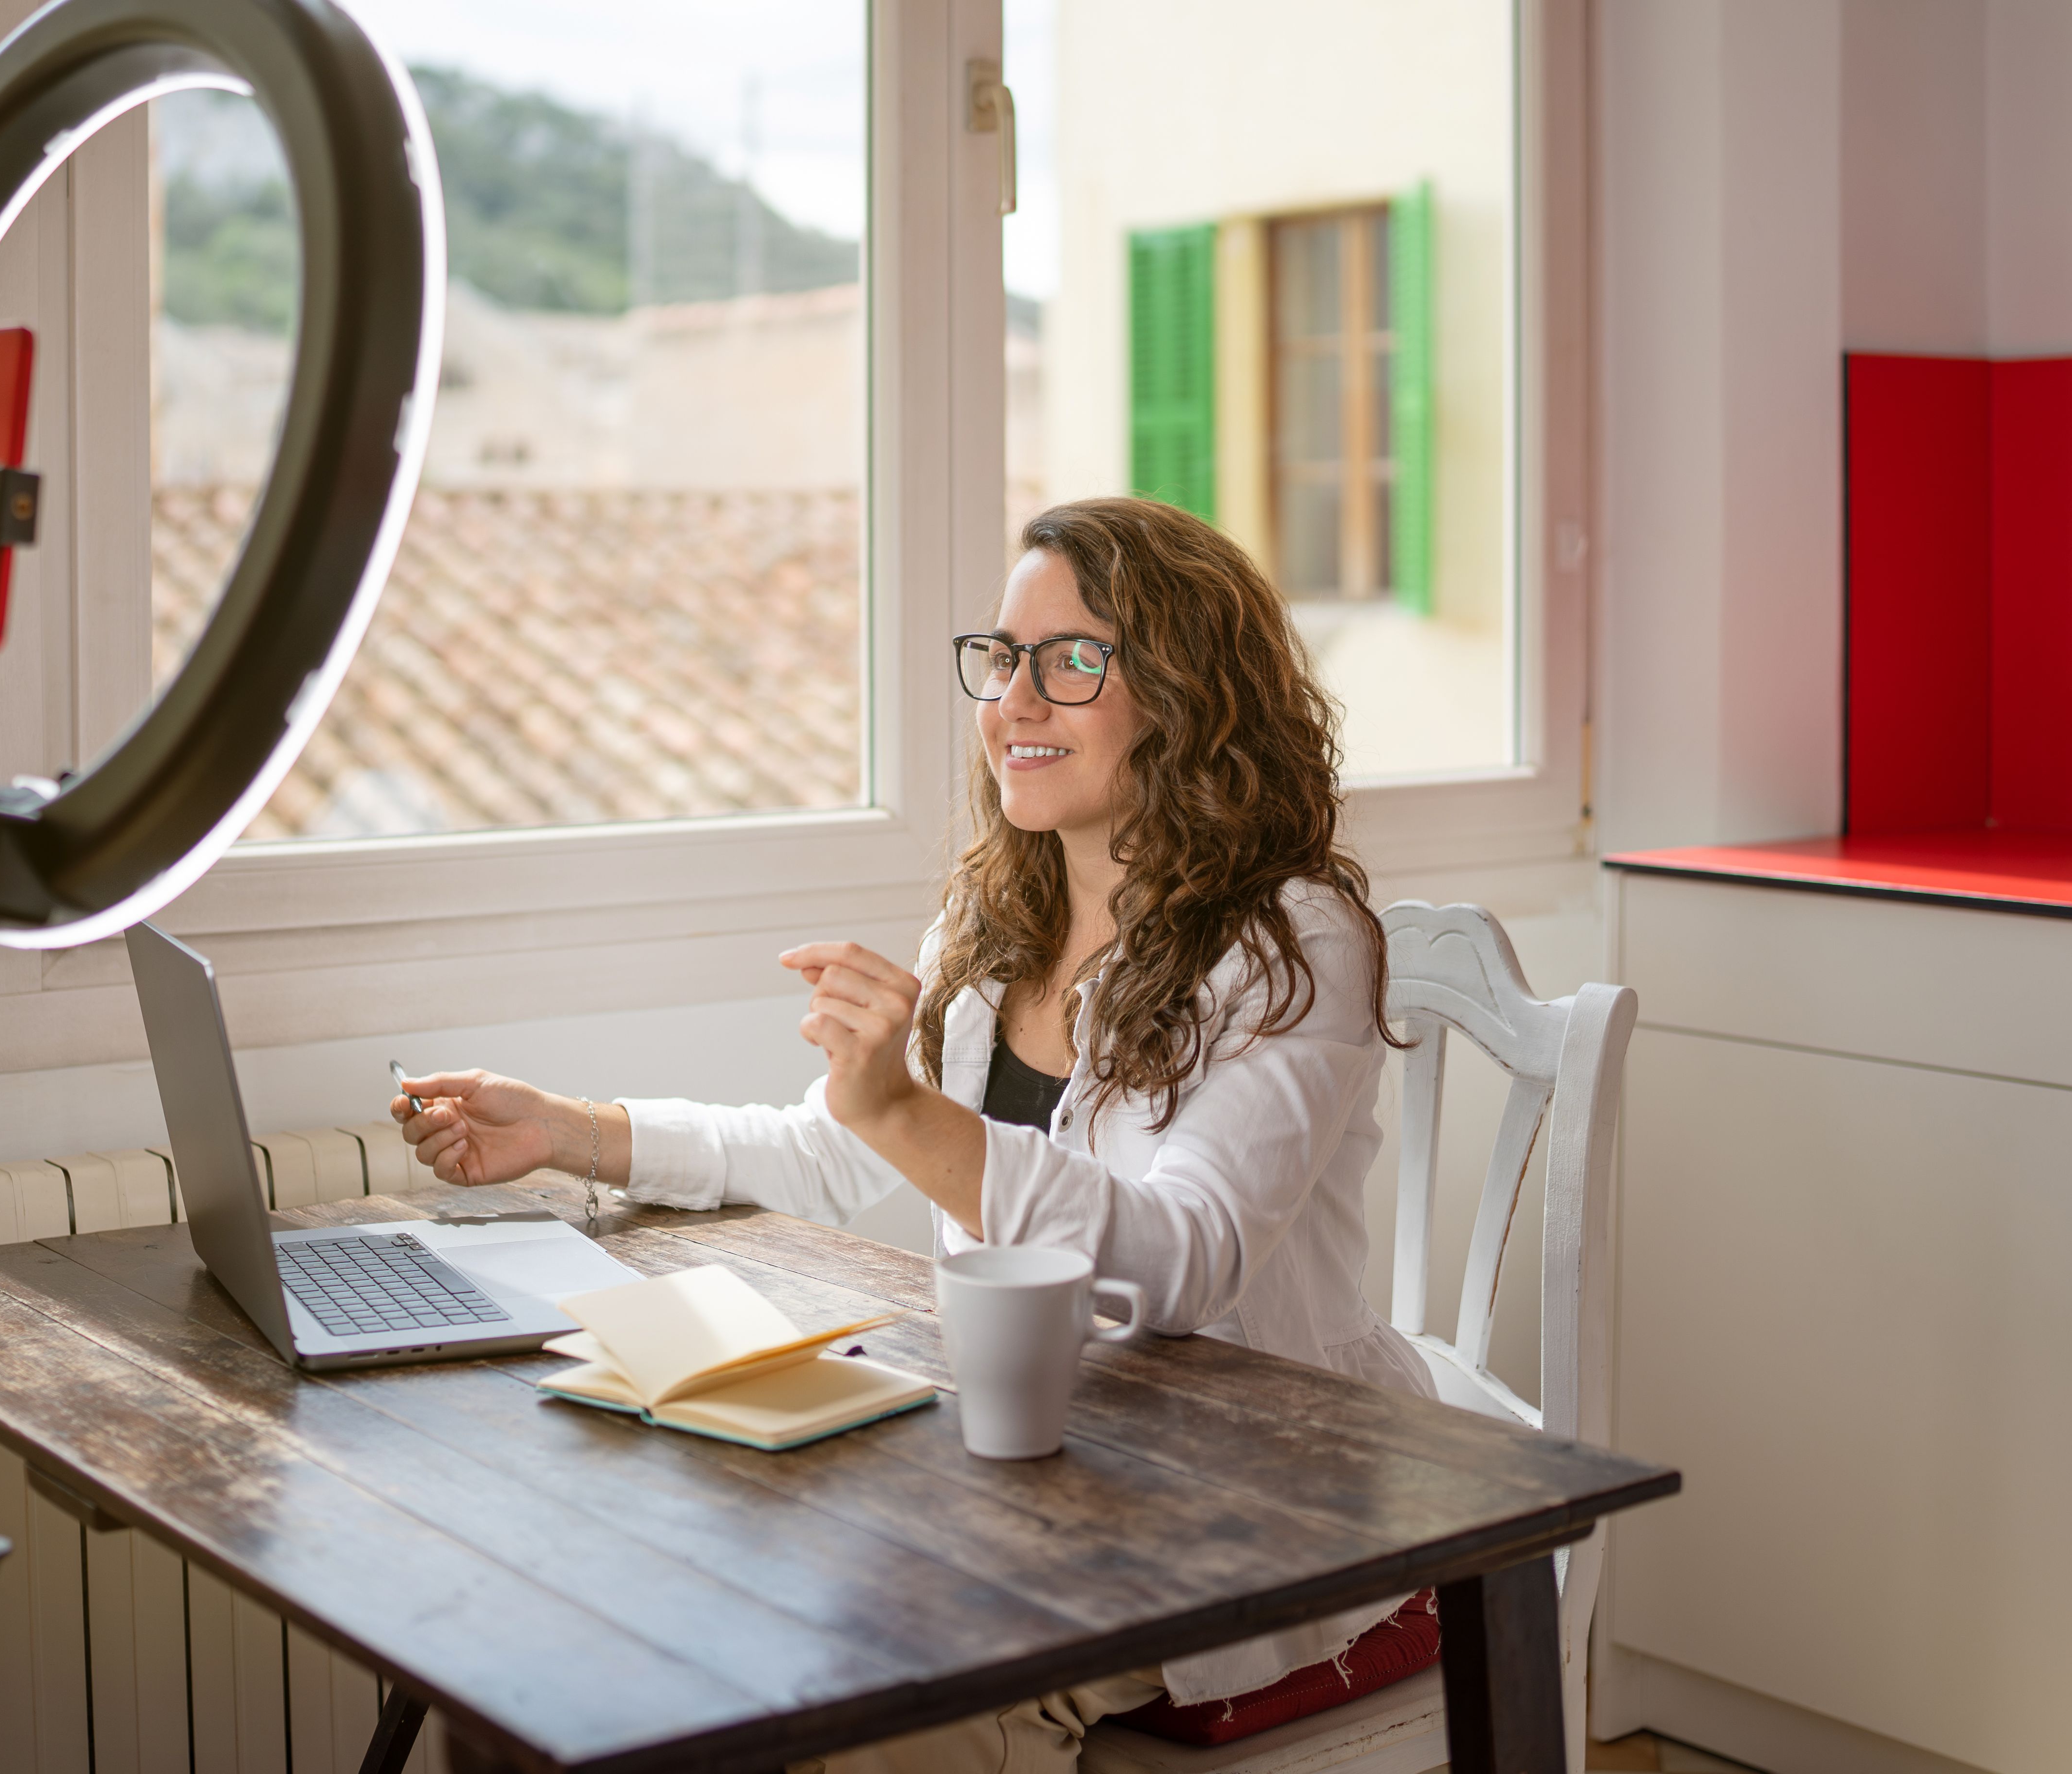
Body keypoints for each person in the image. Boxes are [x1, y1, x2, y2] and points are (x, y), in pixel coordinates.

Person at [391, 496, 1438, 1773]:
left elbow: (1185, 1263)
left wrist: (903, 1107)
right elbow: (829, 1148)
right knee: (586, 1640)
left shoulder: (1293, 940)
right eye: (1002, 657)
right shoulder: (997, 917)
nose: (1014, 702)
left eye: (1073, 659)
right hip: (1018, 1460)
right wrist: (570, 1132)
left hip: (1241, 1486)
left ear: (1191, 695)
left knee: (864, 1707)